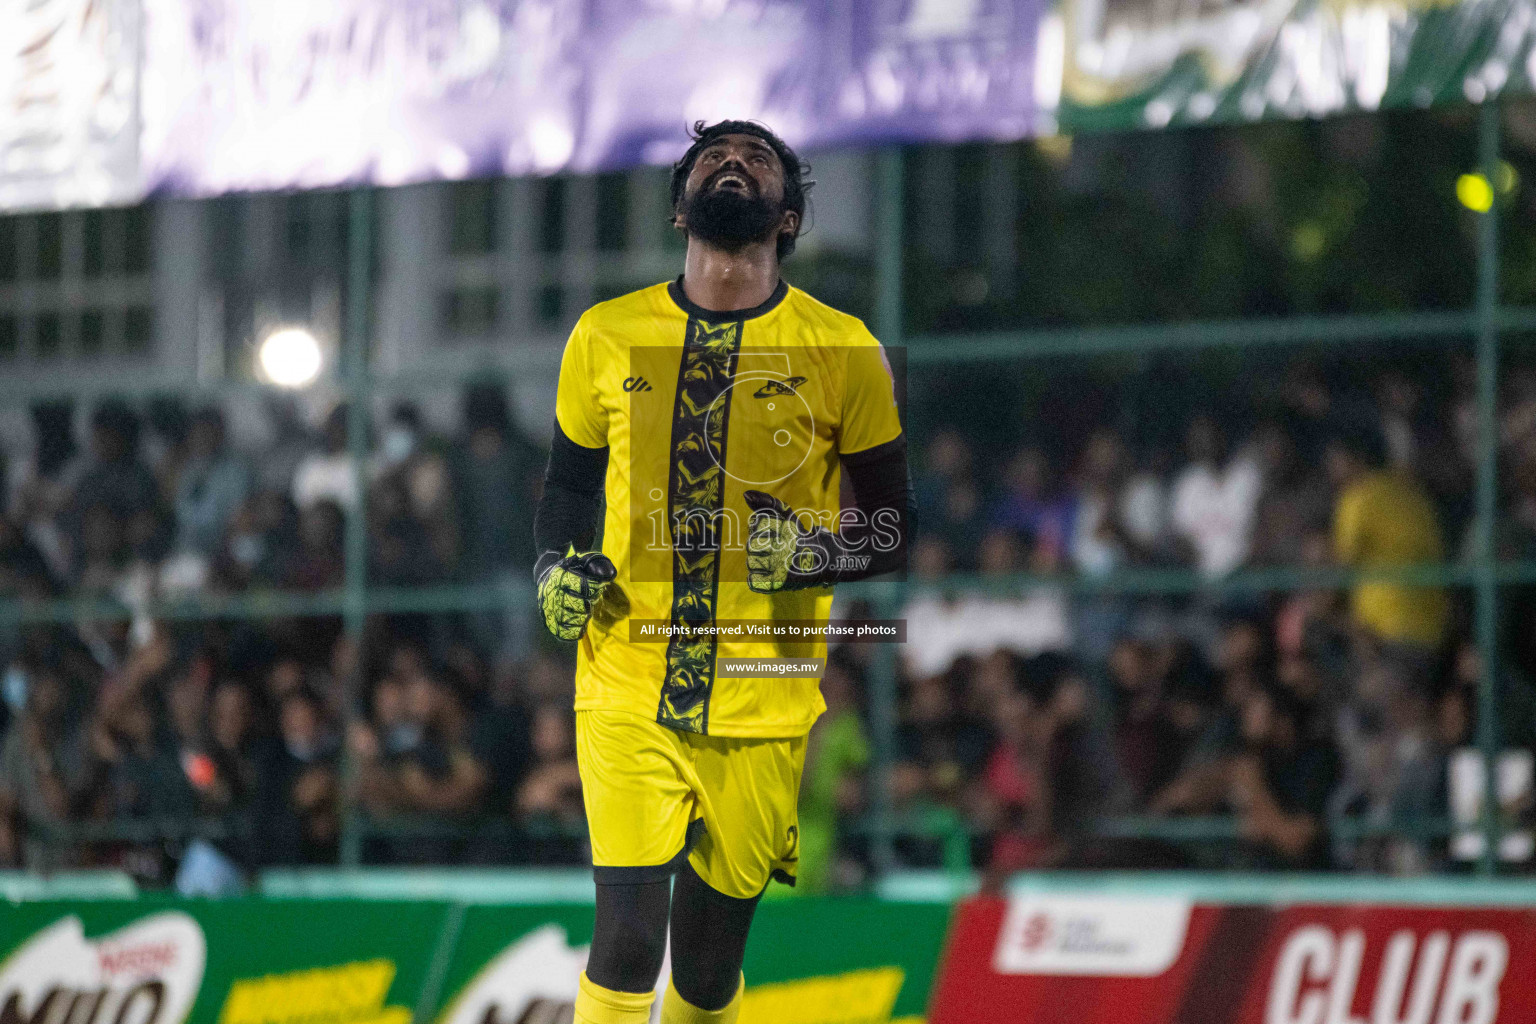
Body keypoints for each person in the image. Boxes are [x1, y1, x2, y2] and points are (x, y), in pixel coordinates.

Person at [532, 120, 909, 1024]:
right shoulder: (605, 333)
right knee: (625, 944)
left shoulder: (844, 347)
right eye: (712, 157)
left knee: (704, 973)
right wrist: (551, 567)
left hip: (765, 692)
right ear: (678, 208)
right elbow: (566, 491)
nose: (731, 163)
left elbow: (893, 531)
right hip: (624, 679)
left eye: (756, 159)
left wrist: (817, 555)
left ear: (787, 216)